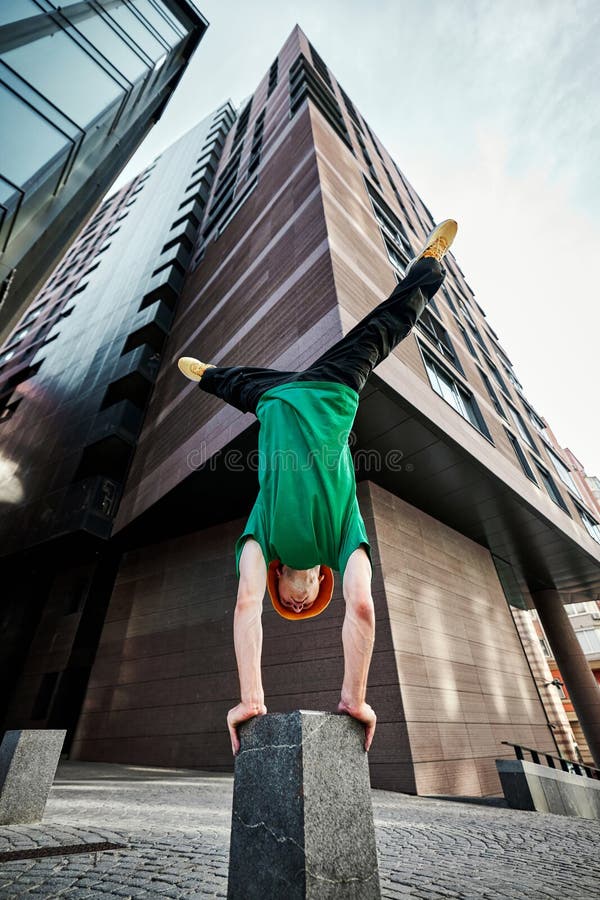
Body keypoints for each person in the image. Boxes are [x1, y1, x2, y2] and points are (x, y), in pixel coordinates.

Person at [178, 219, 458, 756]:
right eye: (309, 605)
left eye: (292, 604)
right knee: (387, 326)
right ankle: (430, 264)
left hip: (276, 399)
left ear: (280, 584)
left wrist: (250, 699)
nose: (302, 603)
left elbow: (244, 606)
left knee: (235, 385)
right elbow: (363, 609)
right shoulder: (343, 539)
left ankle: (208, 374)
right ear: (322, 580)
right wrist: (355, 698)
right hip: (333, 390)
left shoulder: (262, 537)